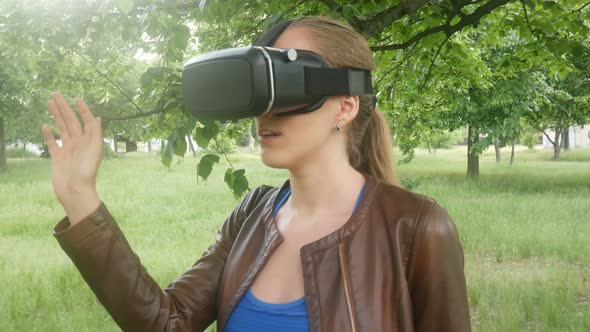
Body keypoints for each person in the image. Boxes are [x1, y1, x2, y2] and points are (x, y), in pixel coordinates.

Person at [42, 16, 470, 332]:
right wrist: (81, 198)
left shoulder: (415, 228)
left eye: (287, 86)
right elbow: (167, 323)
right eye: (261, 92)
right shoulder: (252, 214)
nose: (266, 113)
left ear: (345, 105)